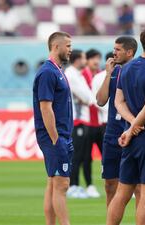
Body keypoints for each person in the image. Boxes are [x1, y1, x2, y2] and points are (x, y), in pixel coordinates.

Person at [106, 25, 145, 225]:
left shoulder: (127, 68)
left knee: (123, 192)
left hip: (130, 137)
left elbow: (118, 102)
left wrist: (131, 127)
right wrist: (134, 128)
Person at [92, 36, 139, 207]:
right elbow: (100, 100)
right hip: (112, 133)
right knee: (110, 184)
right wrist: (108, 74)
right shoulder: (114, 73)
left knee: (138, 186)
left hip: (133, 133)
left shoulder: (138, 71)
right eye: (114, 49)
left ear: (129, 52)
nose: (114, 53)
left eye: (118, 49)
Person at [33, 31, 73, 225]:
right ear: (56, 47)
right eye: (68, 46)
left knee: (53, 183)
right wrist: (56, 138)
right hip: (55, 136)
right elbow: (45, 107)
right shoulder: (48, 72)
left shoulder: (57, 70)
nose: (70, 50)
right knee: (62, 184)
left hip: (62, 135)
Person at [64, 49, 94, 199]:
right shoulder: (71, 74)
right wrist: (87, 98)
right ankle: (73, 186)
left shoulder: (77, 74)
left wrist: (87, 98)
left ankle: (75, 185)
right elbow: (87, 97)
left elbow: (88, 96)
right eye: (83, 58)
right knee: (76, 156)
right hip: (77, 120)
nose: (85, 61)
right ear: (77, 60)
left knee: (81, 155)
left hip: (82, 119)